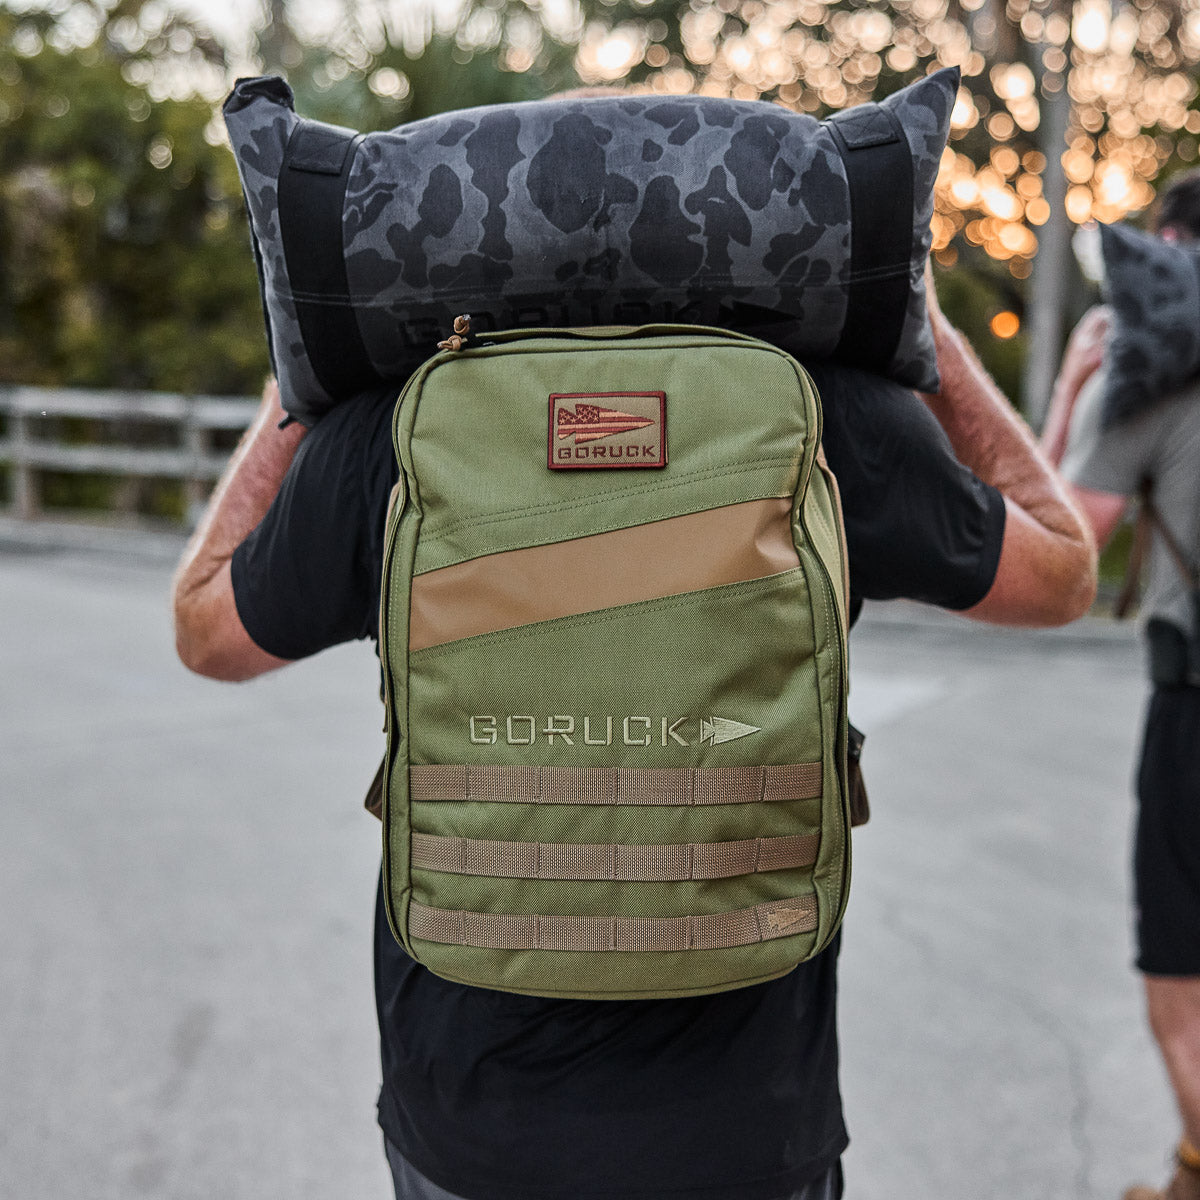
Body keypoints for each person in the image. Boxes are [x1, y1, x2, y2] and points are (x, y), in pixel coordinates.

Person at [173, 272, 1094, 1198]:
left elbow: (205, 630)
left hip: (469, 1126)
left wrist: (295, 394)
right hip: (749, 1129)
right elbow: (1063, 573)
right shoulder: (826, 413)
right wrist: (922, 333)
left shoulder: (393, 427)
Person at [1044, 168, 1200, 1200]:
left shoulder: (1153, 367)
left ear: (1164, 241)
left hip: (1195, 712)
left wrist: (1065, 394)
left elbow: (1054, 560)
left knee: (1178, 979)